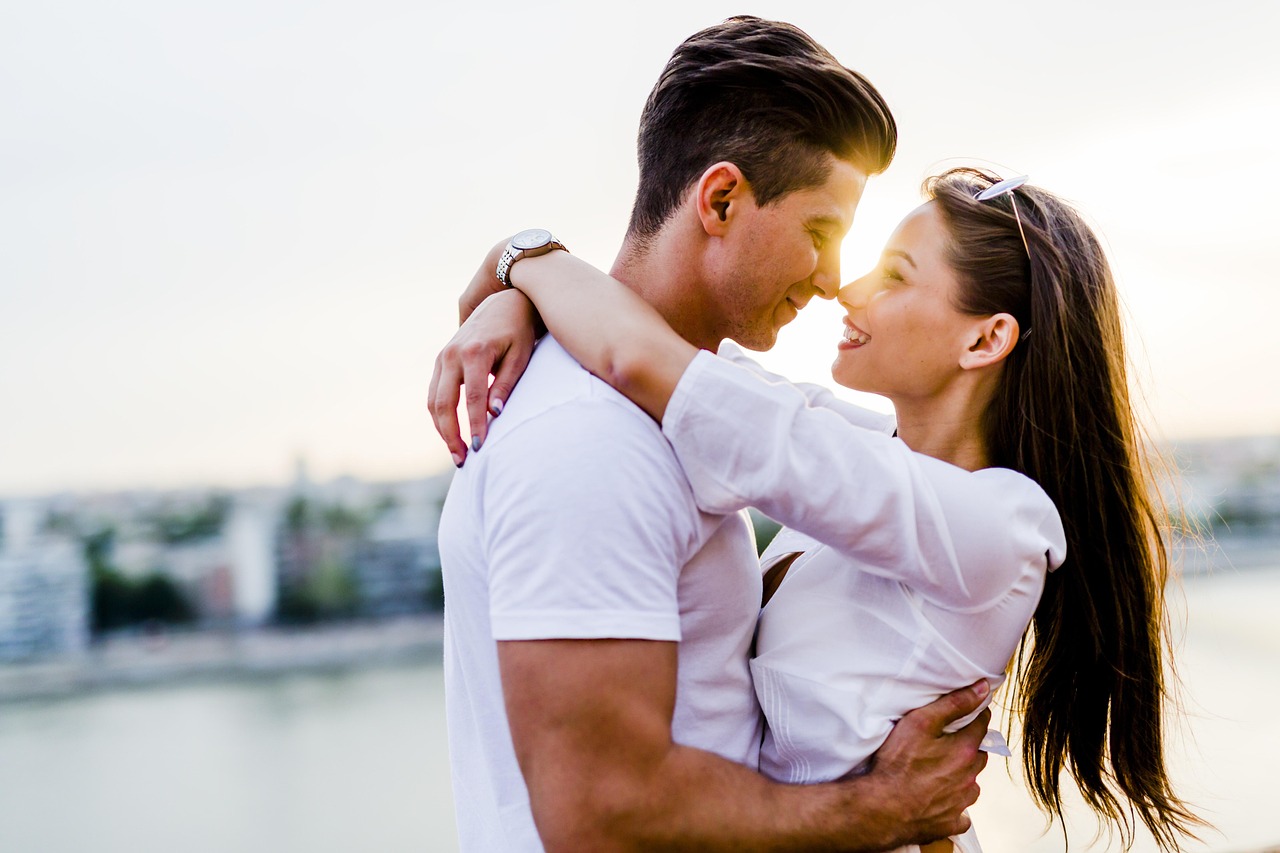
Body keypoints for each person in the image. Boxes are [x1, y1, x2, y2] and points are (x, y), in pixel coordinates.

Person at [432, 168, 1203, 851]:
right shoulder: (863, 450)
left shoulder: (1002, 528)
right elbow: (657, 348)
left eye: (894, 275)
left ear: (986, 338)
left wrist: (526, 261)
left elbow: (660, 368)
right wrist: (515, 298)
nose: (849, 287)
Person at [430, 16, 994, 853]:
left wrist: (522, 265)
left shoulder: (681, 411)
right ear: (721, 199)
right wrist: (883, 808)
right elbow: (600, 815)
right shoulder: (591, 445)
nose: (834, 279)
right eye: (820, 233)